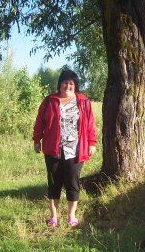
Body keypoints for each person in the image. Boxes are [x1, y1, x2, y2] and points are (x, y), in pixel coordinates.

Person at [32, 69, 97, 228]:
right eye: (65, 82)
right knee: (54, 182)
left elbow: (90, 123)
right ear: (60, 84)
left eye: (71, 83)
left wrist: (92, 142)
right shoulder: (49, 101)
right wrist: (36, 140)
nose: (67, 86)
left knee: (72, 182)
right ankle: (53, 217)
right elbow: (40, 121)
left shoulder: (83, 102)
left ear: (75, 85)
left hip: (76, 150)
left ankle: (71, 216)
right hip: (53, 148)